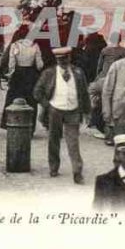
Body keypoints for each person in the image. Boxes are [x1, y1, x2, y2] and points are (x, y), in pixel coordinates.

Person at [33, 47, 91, 184]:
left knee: (73, 142)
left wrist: (87, 111)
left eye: (65, 59)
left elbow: (84, 93)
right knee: (54, 139)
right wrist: (47, 105)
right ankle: (53, 167)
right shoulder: (49, 73)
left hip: (73, 110)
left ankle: (77, 171)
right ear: (56, 60)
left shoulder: (78, 72)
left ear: (70, 58)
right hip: (55, 110)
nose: (63, 62)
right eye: (60, 60)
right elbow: (37, 91)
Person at [0, 25, 44, 131]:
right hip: (31, 76)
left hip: (18, 75)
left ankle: (11, 123)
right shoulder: (35, 46)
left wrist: (9, 75)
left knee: (13, 99)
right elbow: (39, 65)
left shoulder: (15, 45)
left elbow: (11, 64)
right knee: (31, 101)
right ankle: (30, 127)